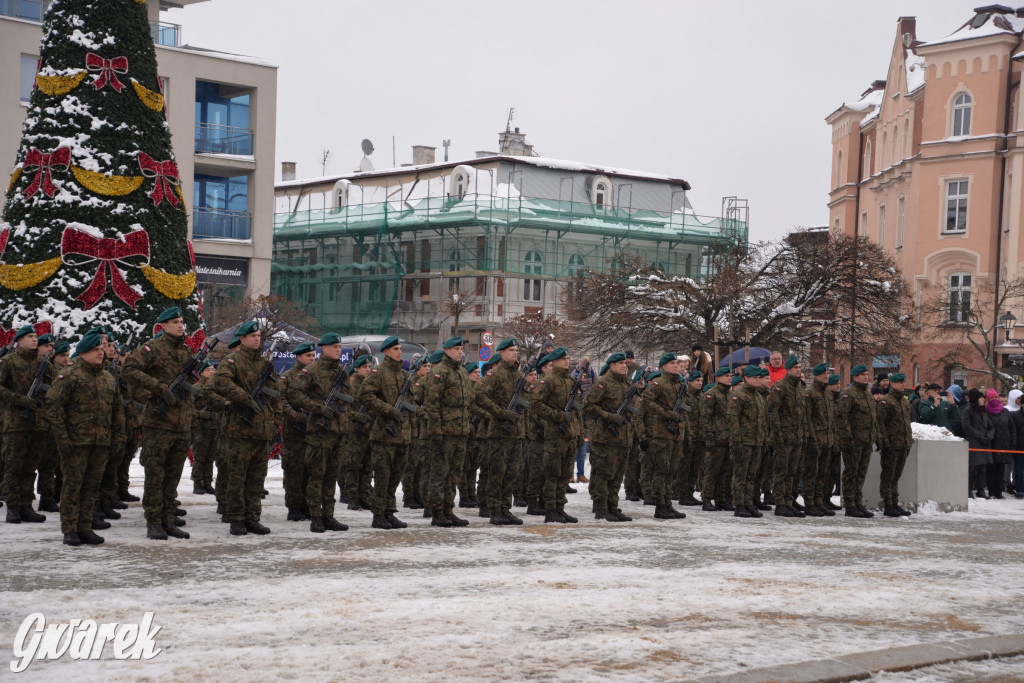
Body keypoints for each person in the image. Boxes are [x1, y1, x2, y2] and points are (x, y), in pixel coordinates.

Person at [121, 308, 196, 540]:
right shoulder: (152, 348)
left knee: (173, 477)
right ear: (163, 325)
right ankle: (153, 522)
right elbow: (129, 369)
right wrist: (159, 388)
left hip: (181, 423)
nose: (181, 325)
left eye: (182, 322)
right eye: (175, 322)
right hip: (159, 423)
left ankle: (168, 519)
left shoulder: (185, 351)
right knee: (155, 476)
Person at [45, 333, 125, 546]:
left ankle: (85, 527)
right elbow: (54, 407)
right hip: (75, 443)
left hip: (100, 443)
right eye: (96, 350)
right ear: (84, 352)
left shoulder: (107, 377)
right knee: (73, 486)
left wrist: (118, 437)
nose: (101, 353)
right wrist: (62, 439)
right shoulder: (70, 374)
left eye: (101, 350)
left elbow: (117, 410)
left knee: (92, 487)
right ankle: (70, 529)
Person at [211, 320, 280, 537]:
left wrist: (276, 420)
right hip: (239, 430)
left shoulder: (264, 364)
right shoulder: (232, 361)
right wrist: (245, 399)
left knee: (256, 478)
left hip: (261, 430)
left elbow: (275, 393)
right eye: (252, 336)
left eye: (259, 335)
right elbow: (220, 383)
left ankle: (252, 518)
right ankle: (237, 519)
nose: (257, 339)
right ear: (241, 339)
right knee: (237, 477)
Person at [290, 333, 352, 533]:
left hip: (338, 431)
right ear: (323, 348)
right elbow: (294, 393)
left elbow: (347, 399)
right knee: (317, 475)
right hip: (320, 431)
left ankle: (329, 515)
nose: (338, 349)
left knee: (331, 476)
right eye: (334, 346)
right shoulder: (312, 370)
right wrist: (316, 407)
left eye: (340, 346)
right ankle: (315, 516)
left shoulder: (341, 371)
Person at [358, 337, 420, 528]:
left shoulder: (403, 375)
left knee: (395, 478)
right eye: (395, 349)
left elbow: (412, 403)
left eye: (400, 348)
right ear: (386, 351)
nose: (399, 352)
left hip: (402, 435)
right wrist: (387, 409)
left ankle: (389, 512)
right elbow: (364, 395)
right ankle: (378, 515)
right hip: (384, 434)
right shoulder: (378, 373)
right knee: (383, 477)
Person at [0, 325, 51, 524]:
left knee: (30, 467)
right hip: (15, 423)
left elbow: (52, 388)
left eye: (35, 336)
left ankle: (26, 505)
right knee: (13, 466)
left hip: (38, 423)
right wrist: (21, 400)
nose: (34, 339)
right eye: (30, 336)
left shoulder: (43, 363)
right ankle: (12, 507)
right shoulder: (8, 361)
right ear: (19, 341)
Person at [421, 337, 472, 528]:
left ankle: (448, 509)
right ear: (447, 350)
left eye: (461, 348)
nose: (460, 351)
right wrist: (436, 432)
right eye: (457, 348)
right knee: (440, 473)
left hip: (460, 431)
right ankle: (437, 512)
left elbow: (467, 403)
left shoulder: (461, 372)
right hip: (444, 433)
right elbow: (431, 405)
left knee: (454, 474)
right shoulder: (439, 372)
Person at [476, 338, 528, 525]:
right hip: (499, 432)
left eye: (516, 350)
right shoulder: (495, 374)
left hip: (516, 431)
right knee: (497, 473)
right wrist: (499, 412)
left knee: (511, 473)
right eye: (512, 350)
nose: (515, 353)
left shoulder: (517, 375)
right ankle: (495, 510)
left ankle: (505, 509)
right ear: (502, 353)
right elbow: (479, 395)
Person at [531, 347, 582, 523]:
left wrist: (579, 432)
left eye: (568, 358)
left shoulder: (569, 380)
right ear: (554, 361)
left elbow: (575, 409)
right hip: (555, 434)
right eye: (563, 359)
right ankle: (550, 509)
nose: (567, 361)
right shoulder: (548, 381)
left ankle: (560, 507)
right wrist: (558, 416)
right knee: (553, 474)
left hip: (570, 433)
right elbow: (536, 404)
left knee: (565, 474)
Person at [582, 352, 634, 522]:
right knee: (604, 474)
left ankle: (612, 505)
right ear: (611, 365)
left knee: (618, 475)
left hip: (623, 438)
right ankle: (601, 507)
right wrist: (608, 416)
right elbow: (588, 405)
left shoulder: (627, 384)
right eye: (620, 363)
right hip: (605, 438)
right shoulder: (603, 383)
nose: (624, 365)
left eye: (624, 363)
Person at [641, 352, 687, 520]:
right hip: (662, 433)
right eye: (672, 363)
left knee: (671, 471)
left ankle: (668, 503)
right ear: (663, 366)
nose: (676, 365)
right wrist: (666, 414)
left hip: (676, 434)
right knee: (662, 470)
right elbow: (646, 402)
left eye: (677, 363)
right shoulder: (658, 383)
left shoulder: (679, 384)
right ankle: (660, 505)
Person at [836, 364, 879, 518]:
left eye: (867, 374)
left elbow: (873, 419)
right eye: (862, 374)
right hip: (853, 441)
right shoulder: (848, 393)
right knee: (851, 473)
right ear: (854, 377)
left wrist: (876, 437)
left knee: (861, 473)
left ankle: (857, 502)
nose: (866, 377)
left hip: (866, 441)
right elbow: (842, 417)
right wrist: (848, 438)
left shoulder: (868, 394)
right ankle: (849, 504)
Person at [768, 356, 807, 518]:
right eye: (795, 367)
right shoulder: (780, 387)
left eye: (799, 367)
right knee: (781, 471)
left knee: (793, 472)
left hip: (796, 437)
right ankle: (780, 503)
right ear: (788, 369)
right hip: (784, 437)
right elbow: (772, 411)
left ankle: (789, 501)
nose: (798, 370)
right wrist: (778, 434)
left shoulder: (798, 388)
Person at [280, 342, 316, 520]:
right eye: (308, 356)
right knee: (294, 470)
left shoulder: (315, 376)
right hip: (294, 431)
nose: (312, 359)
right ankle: (294, 507)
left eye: (313, 355)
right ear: (299, 357)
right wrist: (295, 416)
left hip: (313, 430)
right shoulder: (288, 377)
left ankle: (307, 505)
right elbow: (281, 401)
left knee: (310, 470)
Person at [730, 365, 768, 518]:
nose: (757, 380)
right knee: (740, 474)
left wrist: (763, 439)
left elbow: (762, 420)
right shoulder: (739, 395)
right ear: (746, 378)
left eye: (759, 378)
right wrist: (736, 442)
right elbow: (733, 420)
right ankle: (739, 504)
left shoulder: (758, 396)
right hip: (743, 441)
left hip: (756, 441)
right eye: (754, 378)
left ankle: (749, 502)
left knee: (752, 475)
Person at [875, 372, 915, 516]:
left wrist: (909, 440)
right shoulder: (886, 401)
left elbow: (906, 423)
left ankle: (894, 502)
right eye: (900, 382)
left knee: (896, 475)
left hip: (903, 444)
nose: (903, 384)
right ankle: (888, 504)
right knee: (888, 475)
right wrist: (885, 443)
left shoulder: (904, 400)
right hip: (891, 444)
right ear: (892, 383)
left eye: (904, 382)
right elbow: (880, 424)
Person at [803, 363, 837, 517]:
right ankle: (810, 503)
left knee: (823, 472)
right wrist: (811, 438)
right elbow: (807, 419)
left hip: (827, 440)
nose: (826, 376)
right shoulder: (810, 393)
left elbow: (831, 419)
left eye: (827, 373)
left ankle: (819, 501)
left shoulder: (828, 394)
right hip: (815, 440)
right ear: (816, 375)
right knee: (812, 473)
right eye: (823, 373)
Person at [700, 367, 734, 511]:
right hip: (715, 438)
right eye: (726, 376)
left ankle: (721, 499)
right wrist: (709, 437)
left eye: (730, 375)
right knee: (711, 471)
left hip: (728, 439)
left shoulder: (731, 394)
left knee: (725, 472)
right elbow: (705, 417)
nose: (729, 378)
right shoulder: (711, 394)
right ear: (718, 378)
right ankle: (707, 499)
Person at [961, 388, 994, 498]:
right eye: (981, 397)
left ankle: (981, 490)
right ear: (976, 399)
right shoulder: (967, 411)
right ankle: (969, 490)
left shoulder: (983, 411)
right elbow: (967, 427)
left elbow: (990, 427)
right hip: (974, 442)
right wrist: (981, 436)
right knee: (972, 468)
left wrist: (989, 436)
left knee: (983, 467)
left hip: (985, 443)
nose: (983, 399)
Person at [984, 388, 1015, 500]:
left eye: (996, 398)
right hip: (991, 445)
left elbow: (1012, 429)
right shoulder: (985, 412)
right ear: (987, 400)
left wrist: (1012, 445)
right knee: (991, 470)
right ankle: (991, 492)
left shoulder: (1005, 412)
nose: (994, 400)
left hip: (1004, 446)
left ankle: (999, 492)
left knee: (1001, 470)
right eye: (991, 398)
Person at [572, 356, 595, 484]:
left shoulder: (592, 373)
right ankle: (571, 475)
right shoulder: (573, 376)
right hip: (575, 416)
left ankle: (580, 474)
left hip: (585, 416)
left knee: (582, 447)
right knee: (572, 448)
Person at [1007, 390, 1024, 499]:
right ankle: (1019, 489)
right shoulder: (1014, 415)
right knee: (1018, 469)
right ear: (1022, 404)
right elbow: (1011, 432)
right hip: (1019, 448)